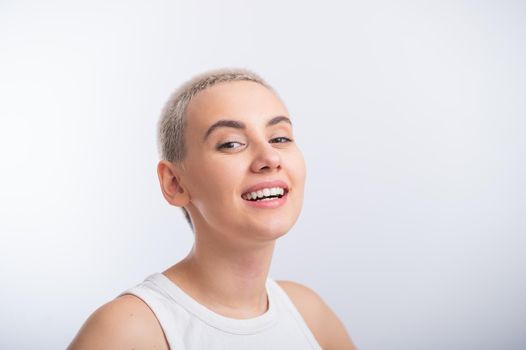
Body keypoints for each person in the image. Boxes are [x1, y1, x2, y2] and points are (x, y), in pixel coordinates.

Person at [68, 68, 357, 350]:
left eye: (280, 138)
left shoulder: (308, 313)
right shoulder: (128, 330)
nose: (269, 157)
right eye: (231, 144)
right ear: (175, 183)